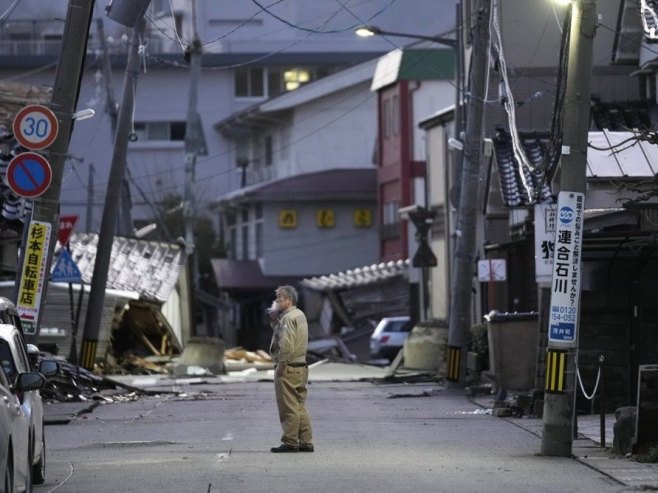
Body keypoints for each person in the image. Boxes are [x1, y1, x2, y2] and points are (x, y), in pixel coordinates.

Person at [268, 285, 314, 453]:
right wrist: (274, 320)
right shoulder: (298, 315)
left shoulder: (288, 319)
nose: (276, 301)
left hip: (289, 367)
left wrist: (282, 364)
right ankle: (306, 441)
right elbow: (284, 334)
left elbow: (286, 344)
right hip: (301, 367)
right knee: (299, 405)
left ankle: (290, 442)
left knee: (288, 407)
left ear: (289, 300)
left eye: (280, 298)